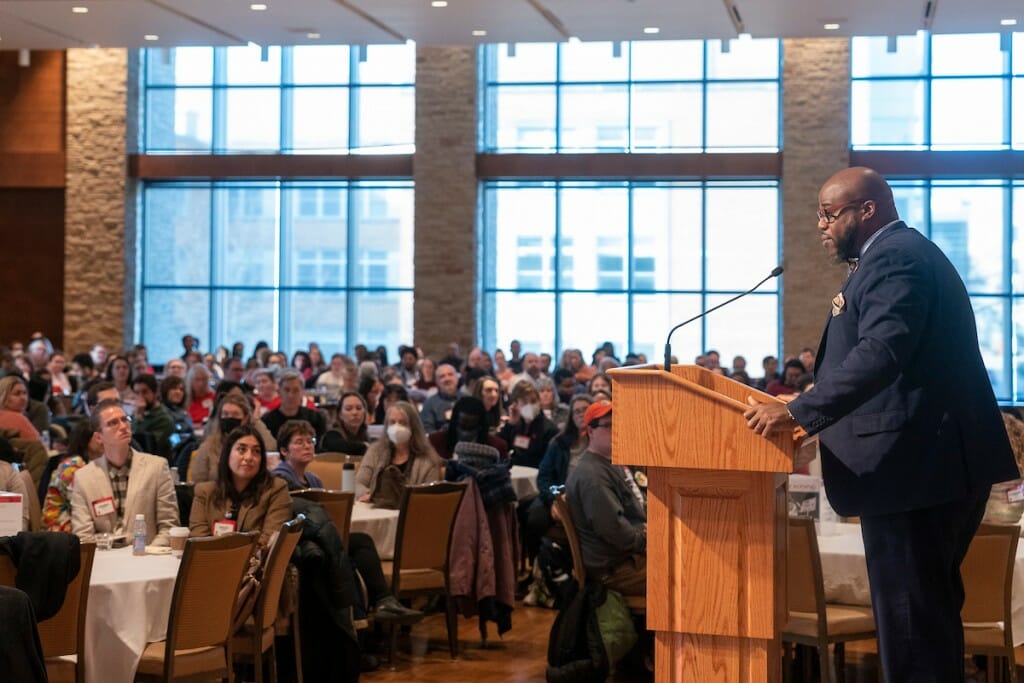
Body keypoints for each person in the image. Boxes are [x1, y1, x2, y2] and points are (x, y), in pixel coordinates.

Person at [744, 166, 1018, 682]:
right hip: (922, 470)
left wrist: (797, 409)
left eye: (829, 213)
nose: (821, 225)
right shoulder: (897, 257)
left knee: (912, 627)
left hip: (913, 472)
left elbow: (882, 352)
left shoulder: (896, 259)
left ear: (867, 210)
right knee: (924, 620)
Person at [565, 400, 646, 596]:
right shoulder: (592, 476)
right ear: (590, 432)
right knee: (685, 574)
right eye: (608, 425)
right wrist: (649, 537)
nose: (616, 429)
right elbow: (614, 531)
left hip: (629, 555)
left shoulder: (612, 461)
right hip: (616, 568)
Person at [70, 400, 178, 545]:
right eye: (113, 423)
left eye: (125, 419)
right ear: (98, 437)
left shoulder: (157, 468)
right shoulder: (84, 477)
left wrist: (146, 556)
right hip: (104, 561)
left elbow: (169, 527)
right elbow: (83, 537)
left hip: (147, 558)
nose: (123, 426)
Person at [189, 425, 291, 548]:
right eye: (241, 449)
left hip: (257, 564)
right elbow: (199, 540)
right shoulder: (205, 492)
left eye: (256, 451)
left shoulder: (276, 489)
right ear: (227, 455)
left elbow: (270, 540)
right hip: (213, 563)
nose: (249, 457)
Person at [356, 401, 441, 501]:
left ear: (413, 427)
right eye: (392, 422)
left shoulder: (428, 459)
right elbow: (358, 483)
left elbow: (430, 496)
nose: (396, 427)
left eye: (403, 423)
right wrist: (370, 496)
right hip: (375, 509)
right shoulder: (375, 451)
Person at [191, 394, 276, 484]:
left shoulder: (254, 443)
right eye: (225, 414)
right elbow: (198, 481)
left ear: (245, 418)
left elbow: (271, 448)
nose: (229, 418)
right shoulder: (208, 446)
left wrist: (255, 421)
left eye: (235, 414)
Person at [42, 420, 103, 532]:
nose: (104, 440)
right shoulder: (72, 467)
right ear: (86, 440)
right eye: (99, 436)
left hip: (79, 520)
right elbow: (82, 504)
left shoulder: (96, 463)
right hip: (60, 526)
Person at [499, 381, 558, 469]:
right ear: (515, 405)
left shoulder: (549, 429)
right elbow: (501, 448)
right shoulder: (515, 425)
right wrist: (510, 424)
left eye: (533, 401)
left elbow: (547, 462)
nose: (530, 406)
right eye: (524, 402)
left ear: (539, 401)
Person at [261, 371, 326, 442]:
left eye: (295, 390)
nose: (290, 395)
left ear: (302, 393)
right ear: (279, 392)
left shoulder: (315, 418)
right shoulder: (267, 421)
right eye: (286, 390)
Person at [130, 373, 175, 460]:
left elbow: (144, 445)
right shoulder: (135, 414)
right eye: (137, 393)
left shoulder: (164, 418)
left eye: (144, 392)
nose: (140, 397)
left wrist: (139, 417)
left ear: (155, 392)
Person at [320, 391, 370, 456]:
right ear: (340, 414)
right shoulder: (331, 436)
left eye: (359, 408)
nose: (355, 413)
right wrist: (365, 446)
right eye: (348, 409)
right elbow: (344, 448)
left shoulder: (365, 435)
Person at [419, 363, 460, 433]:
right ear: (437, 382)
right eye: (442, 376)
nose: (447, 379)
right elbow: (427, 430)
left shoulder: (467, 399)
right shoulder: (430, 403)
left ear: (457, 378)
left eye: (450, 374)